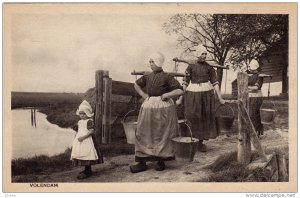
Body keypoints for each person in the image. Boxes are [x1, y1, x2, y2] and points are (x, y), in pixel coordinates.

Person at [130, 52, 184, 173]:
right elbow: (136, 85)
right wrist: (143, 95)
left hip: (163, 107)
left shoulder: (167, 76)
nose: (151, 64)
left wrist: (167, 95)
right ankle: (142, 161)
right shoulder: (148, 76)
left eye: (153, 61)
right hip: (149, 106)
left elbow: (180, 90)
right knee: (143, 132)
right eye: (150, 62)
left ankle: (161, 160)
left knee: (161, 132)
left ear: (159, 62)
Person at [173, 45, 225, 152]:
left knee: (204, 117)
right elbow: (185, 83)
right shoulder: (191, 67)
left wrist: (220, 98)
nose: (204, 56)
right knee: (192, 116)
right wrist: (180, 99)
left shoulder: (209, 67)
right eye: (202, 53)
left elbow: (215, 83)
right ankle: (192, 141)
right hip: (193, 94)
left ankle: (200, 143)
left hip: (206, 95)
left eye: (205, 54)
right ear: (197, 54)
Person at [71, 100, 103, 179]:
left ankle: (88, 170)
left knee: (87, 153)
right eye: (80, 114)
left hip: (87, 140)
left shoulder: (89, 121)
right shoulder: (80, 121)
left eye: (84, 114)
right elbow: (79, 130)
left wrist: (83, 137)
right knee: (81, 152)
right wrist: (76, 135)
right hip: (80, 140)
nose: (82, 115)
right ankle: (86, 169)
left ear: (88, 114)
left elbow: (91, 131)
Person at [247, 53, 264, 137]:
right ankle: (251, 131)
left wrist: (246, 88)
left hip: (257, 97)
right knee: (250, 114)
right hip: (250, 97)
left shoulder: (259, 76)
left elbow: (256, 88)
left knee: (256, 115)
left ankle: (256, 132)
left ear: (253, 67)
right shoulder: (249, 75)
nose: (249, 68)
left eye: (250, 67)